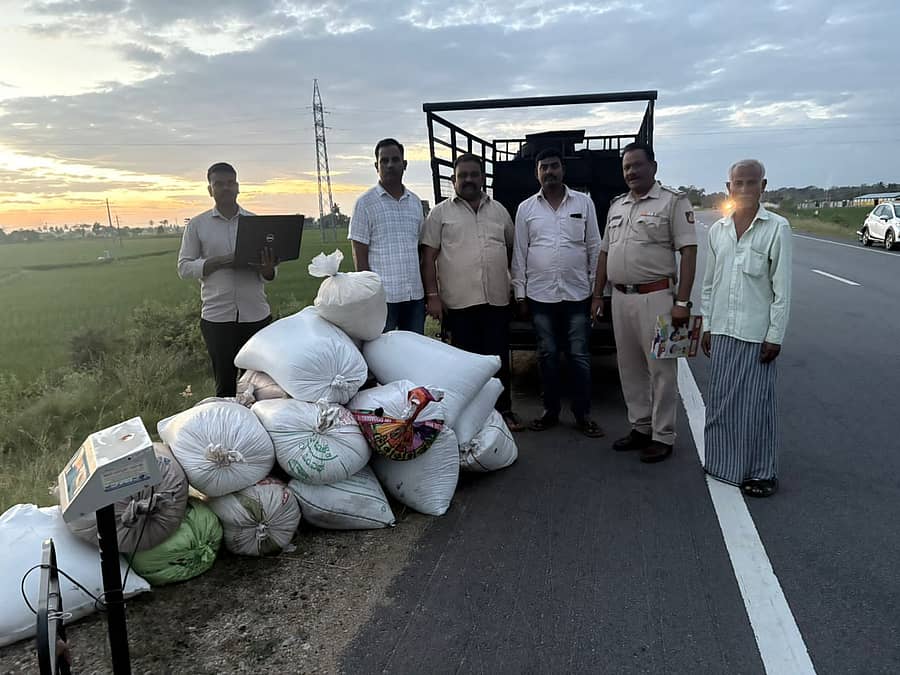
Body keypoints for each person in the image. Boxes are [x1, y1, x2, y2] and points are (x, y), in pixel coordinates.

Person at [592, 142, 697, 463]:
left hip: (658, 298)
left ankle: (663, 435)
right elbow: (605, 253)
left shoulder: (673, 202)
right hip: (621, 298)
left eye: (637, 165)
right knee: (630, 368)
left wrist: (682, 302)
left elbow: (689, 251)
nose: (631, 172)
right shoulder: (617, 205)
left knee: (662, 370)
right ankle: (640, 426)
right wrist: (598, 294)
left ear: (653, 166)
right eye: (626, 167)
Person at [701, 159, 792, 498]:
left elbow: (782, 290)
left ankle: (762, 473)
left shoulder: (776, 228)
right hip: (723, 330)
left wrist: (775, 336)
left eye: (750, 183)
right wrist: (707, 326)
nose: (743, 190)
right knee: (722, 403)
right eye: (737, 184)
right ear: (728, 188)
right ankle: (722, 465)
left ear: (763, 186)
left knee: (757, 407)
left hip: (757, 335)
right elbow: (709, 285)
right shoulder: (717, 231)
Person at [421, 153, 523, 431]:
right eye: (462, 175)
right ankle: (471, 417)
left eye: (473, 174)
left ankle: (504, 411)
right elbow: (428, 257)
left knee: (498, 360)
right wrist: (433, 296)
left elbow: (512, 250)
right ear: (453, 180)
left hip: (497, 301)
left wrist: (514, 286)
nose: (468, 180)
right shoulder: (439, 214)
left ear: (482, 178)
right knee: (466, 366)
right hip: (459, 304)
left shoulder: (499, 210)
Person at [511, 148, 604, 438]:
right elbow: (520, 253)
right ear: (536, 173)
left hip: (578, 296)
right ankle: (550, 411)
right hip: (541, 297)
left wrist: (597, 292)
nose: (549, 171)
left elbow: (594, 247)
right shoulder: (526, 209)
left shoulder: (583, 203)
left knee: (579, 356)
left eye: (554, 166)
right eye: (544, 167)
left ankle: (582, 414)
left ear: (563, 170)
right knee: (547, 355)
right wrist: (521, 294)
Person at [178, 162, 276, 397]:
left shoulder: (256, 224)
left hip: (256, 315)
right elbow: (184, 267)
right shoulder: (197, 225)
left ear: (238, 187)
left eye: (230, 183)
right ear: (210, 190)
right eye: (219, 184)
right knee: (225, 386)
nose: (226, 188)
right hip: (217, 317)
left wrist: (267, 267)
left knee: (260, 384)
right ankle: (228, 431)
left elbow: (270, 276)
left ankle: (257, 430)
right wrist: (219, 261)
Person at [349, 138, 426, 333]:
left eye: (395, 159)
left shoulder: (415, 202)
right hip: (383, 299)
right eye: (384, 161)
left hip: (414, 296)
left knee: (415, 352)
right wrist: (368, 296)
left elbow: (420, 249)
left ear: (404, 164)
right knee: (382, 354)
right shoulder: (365, 203)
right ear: (376, 166)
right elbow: (360, 255)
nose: (390, 165)